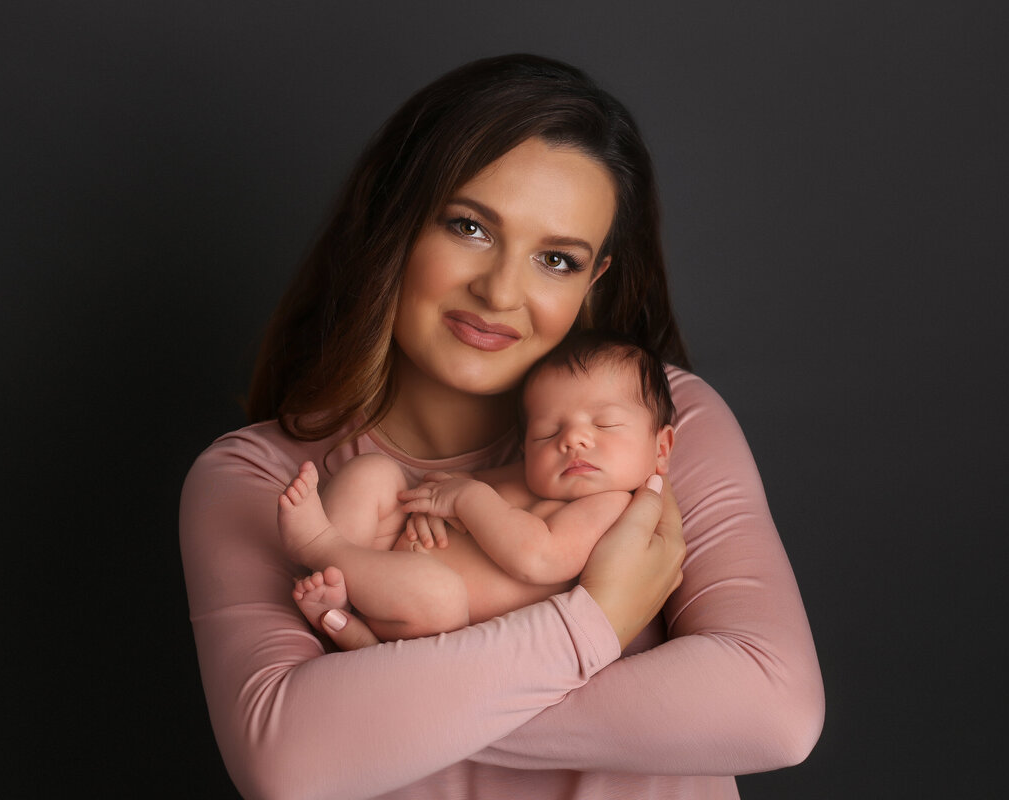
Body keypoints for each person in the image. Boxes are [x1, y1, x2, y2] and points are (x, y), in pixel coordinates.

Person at [180, 53, 824, 799]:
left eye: (556, 258)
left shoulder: (655, 426)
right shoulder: (257, 481)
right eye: (470, 228)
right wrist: (597, 623)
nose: (499, 291)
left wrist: (381, 702)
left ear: (594, 282)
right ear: (394, 222)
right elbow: (288, 763)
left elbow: (777, 710)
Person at [280, 333, 677, 642]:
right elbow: (454, 486)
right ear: (525, 444)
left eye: (604, 424)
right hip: (385, 555)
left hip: (433, 620)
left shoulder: (614, 507)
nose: (572, 440)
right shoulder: (524, 475)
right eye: (547, 432)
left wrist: (468, 500)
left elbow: (539, 557)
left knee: (439, 593)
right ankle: (338, 591)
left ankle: (318, 544)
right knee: (374, 472)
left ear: (661, 448)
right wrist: (433, 504)